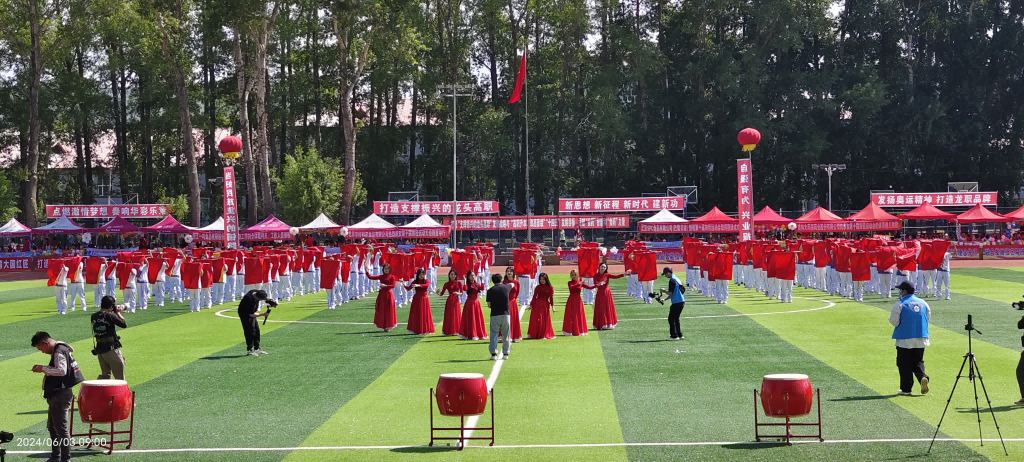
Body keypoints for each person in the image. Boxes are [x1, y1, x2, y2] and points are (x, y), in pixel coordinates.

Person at [31, 331, 85, 462]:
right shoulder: (61, 349)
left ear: (45, 343)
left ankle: (65, 458)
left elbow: (61, 371)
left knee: (60, 428)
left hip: (60, 395)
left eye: (40, 349)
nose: (42, 352)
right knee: (52, 427)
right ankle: (56, 456)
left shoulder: (59, 351)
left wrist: (43, 369)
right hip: (58, 394)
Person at [889, 281, 931, 396]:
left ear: (904, 291)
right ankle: (923, 378)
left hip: (905, 338)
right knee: (918, 361)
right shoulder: (923, 302)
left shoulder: (900, 304)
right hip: (921, 336)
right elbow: (927, 317)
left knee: (903, 363)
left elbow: (894, 321)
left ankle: (906, 389)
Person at [91, 296, 127, 380]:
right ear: (111, 306)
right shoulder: (109, 315)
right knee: (120, 378)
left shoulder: (94, 316)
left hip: (100, 349)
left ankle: (96, 388)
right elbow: (123, 324)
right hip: (111, 349)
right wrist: (118, 313)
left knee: (105, 376)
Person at [237, 289, 275, 356]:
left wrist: (268, 300)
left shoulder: (255, 292)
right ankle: (250, 349)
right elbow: (251, 314)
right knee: (250, 331)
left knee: (257, 331)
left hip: (251, 312)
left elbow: (263, 297)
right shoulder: (249, 301)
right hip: (245, 314)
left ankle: (256, 348)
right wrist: (263, 314)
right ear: (258, 298)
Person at [486, 274, 513, 360]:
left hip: (494, 315)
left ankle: (493, 354)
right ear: (501, 279)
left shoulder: (490, 291)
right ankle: (505, 353)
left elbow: (489, 305)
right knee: (506, 335)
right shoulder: (506, 288)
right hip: (505, 314)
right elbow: (512, 284)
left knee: (494, 334)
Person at [592, 263, 625, 330]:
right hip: (600, 293)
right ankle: (600, 324)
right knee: (600, 308)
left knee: (607, 307)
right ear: (599, 267)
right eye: (602, 266)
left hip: (607, 293)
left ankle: (608, 323)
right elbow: (595, 283)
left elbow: (616, 276)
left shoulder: (607, 275)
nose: (603, 268)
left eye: (604, 267)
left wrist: (624, 274)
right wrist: (600, 283)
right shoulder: (595, 276)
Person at [367, 263, 398, 332]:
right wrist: (366, 271)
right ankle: (383, 326)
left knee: (389, 310)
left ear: (389, 269)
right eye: (385, 268)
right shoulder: (381, 276)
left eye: (387, 269)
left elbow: (393, 285)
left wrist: (385, 285)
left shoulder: (392, 277)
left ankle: (388, 326)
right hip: (382, 295)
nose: (386, 270)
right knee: (382, 310)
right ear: (383, 269)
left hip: (389, 295)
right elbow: (370, 277)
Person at [458, 270, 488, 340]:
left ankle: (478, 333)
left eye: (474, 275)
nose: (473, 277)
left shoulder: (476, 284)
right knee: (470, 318)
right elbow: (465, 289)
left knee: (477, 318)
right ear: (468, 277)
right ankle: (470, 334)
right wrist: (465, 280)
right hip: (469, 303)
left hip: (476, 302)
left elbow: (482, 288)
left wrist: (482, 280)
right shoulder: (468, 284)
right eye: (471, 275)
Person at [659, 267, 686, 340]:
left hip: (676, 302)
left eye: (665, 274)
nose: (665, 276)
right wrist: (665, 299)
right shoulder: (676, 278)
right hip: (681, 301)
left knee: (671, 319)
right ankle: (679, 334)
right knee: (676, 318)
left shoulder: (672, 281)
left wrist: (663, 291)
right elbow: (676, 292)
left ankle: (674, 336)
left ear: (668, 273)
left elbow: (670, 293)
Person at [405, 268, 435, 334]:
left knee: (425, 314)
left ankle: (425, 329)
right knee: (417, 314)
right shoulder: (415, 281)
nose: (421, 276)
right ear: (417, 275)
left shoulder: (426, 280)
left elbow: (426, 285)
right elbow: (408, 288)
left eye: (422, 274)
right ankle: (417, 329)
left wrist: (418, 285)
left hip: (424, 299)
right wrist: (403, 284)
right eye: (420, 275)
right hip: (417, 299)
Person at [526, 273, 556, 339]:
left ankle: (543, 334)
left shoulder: (550, 287)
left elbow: (551, 298)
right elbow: (534, 297)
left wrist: (553, 307)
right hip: (537, 305)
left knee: (544, 320)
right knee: (536, 320)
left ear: (546, 279)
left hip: (545, 306)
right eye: (540, 279)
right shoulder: (537, 287)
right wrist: (531, 305)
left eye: (543, 279)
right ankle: (536, 334)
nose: (542, 281)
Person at [437, 270, 464, 336]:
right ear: (449, 275)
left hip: (456, 300)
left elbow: (462, 293)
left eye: (454, 274)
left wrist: (458, 293)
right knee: (450, 315)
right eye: (451, 274)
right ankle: (449, 331)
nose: (453, 276)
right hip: (449, 301)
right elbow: (441, 294)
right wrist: (438, 293)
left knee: (456, 315)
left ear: (456, 276)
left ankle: (457, 330)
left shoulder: (459, 283)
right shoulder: (447, 284)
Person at [563, 270, 588, 336]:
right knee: (571, 315)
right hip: (571, 300)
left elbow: (589, 287)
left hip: (578, 300)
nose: (573, 276)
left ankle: (579, 330)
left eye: (575, 275)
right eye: (572, 275)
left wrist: (597, 285)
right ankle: (571, 331)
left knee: (579, 314)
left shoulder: (580, 282)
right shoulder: (570, 283)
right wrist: (579, 284)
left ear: (577, 275)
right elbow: (571, 288)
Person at [502, 268, 524, 342]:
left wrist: (513, 299)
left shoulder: (516, 282)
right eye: (507, 271)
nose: (509, 272)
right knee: (506, 319)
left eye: (510, 271)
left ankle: (513, 335)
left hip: (513, 302)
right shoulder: (503, 282)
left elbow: (517, 292)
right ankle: (506, 335)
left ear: (513, 273)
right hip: (505, 302)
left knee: (513, 319)